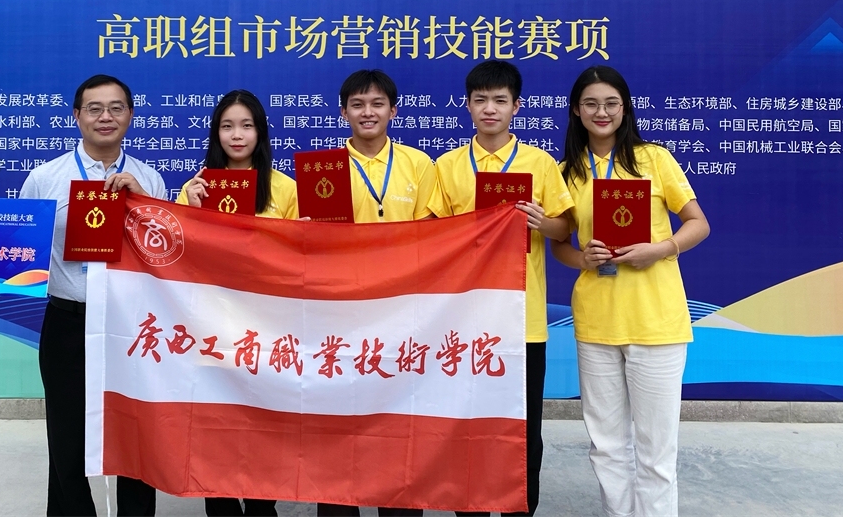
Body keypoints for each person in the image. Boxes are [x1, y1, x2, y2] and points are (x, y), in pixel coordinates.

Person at [0, 75, 166, 517]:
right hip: (70, 322)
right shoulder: (46, 178)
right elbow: (17, 250)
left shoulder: (150, 178)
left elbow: (165, 255)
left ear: (130, 115)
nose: (105, 117)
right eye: (94, 108)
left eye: (116, 107)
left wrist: (143, 202)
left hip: (132, 326)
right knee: (67, 439)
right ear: (76, 116)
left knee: (136, 436)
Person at [550, 66, 710, 517]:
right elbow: (559, 244)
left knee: (656, 448)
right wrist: (584, 259)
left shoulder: (653, 159)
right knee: (606, 445)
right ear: (576, 111)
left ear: (625, 108)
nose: (601, 112)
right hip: (597, 322)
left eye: (611, 103)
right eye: (591, 104)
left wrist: (661, 248)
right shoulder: (566, 172)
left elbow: (698, 223)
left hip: (657, 322)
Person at [427, 60, 572, 517]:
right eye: (481, 100)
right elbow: (431, 232)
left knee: (523, 427)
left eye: (499, 100)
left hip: (522, 320)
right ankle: (469, 507)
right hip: (463, 319)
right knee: (465, 423)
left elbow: (564, 228)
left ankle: (519, 508)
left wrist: (541, 221)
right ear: (468, 106)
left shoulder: (540, 163)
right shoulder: (448, 165)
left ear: (516, 106)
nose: (490, 109)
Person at [316, 68, 437, 517]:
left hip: (403, 317)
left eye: (377, 104)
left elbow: (432, 236)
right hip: (341, 317)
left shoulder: (419, 164)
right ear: (343, 111)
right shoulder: (324, 168)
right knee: (338, 425)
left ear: (393, 110)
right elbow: (317, 245)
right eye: (358, 105)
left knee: (398, 423)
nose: (368, 112)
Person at [177, 89, 299, 517]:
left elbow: (301, 259)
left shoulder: (285, 188)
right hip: (213, 327)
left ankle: (263, 506)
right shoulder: (196, 186)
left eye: (246, 125)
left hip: (268, 328)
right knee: (217, 426)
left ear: (260, 132)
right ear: (216, 133)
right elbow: (179, 259)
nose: (237, 135)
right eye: (227, 126)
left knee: (264, 425)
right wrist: (193, 212)